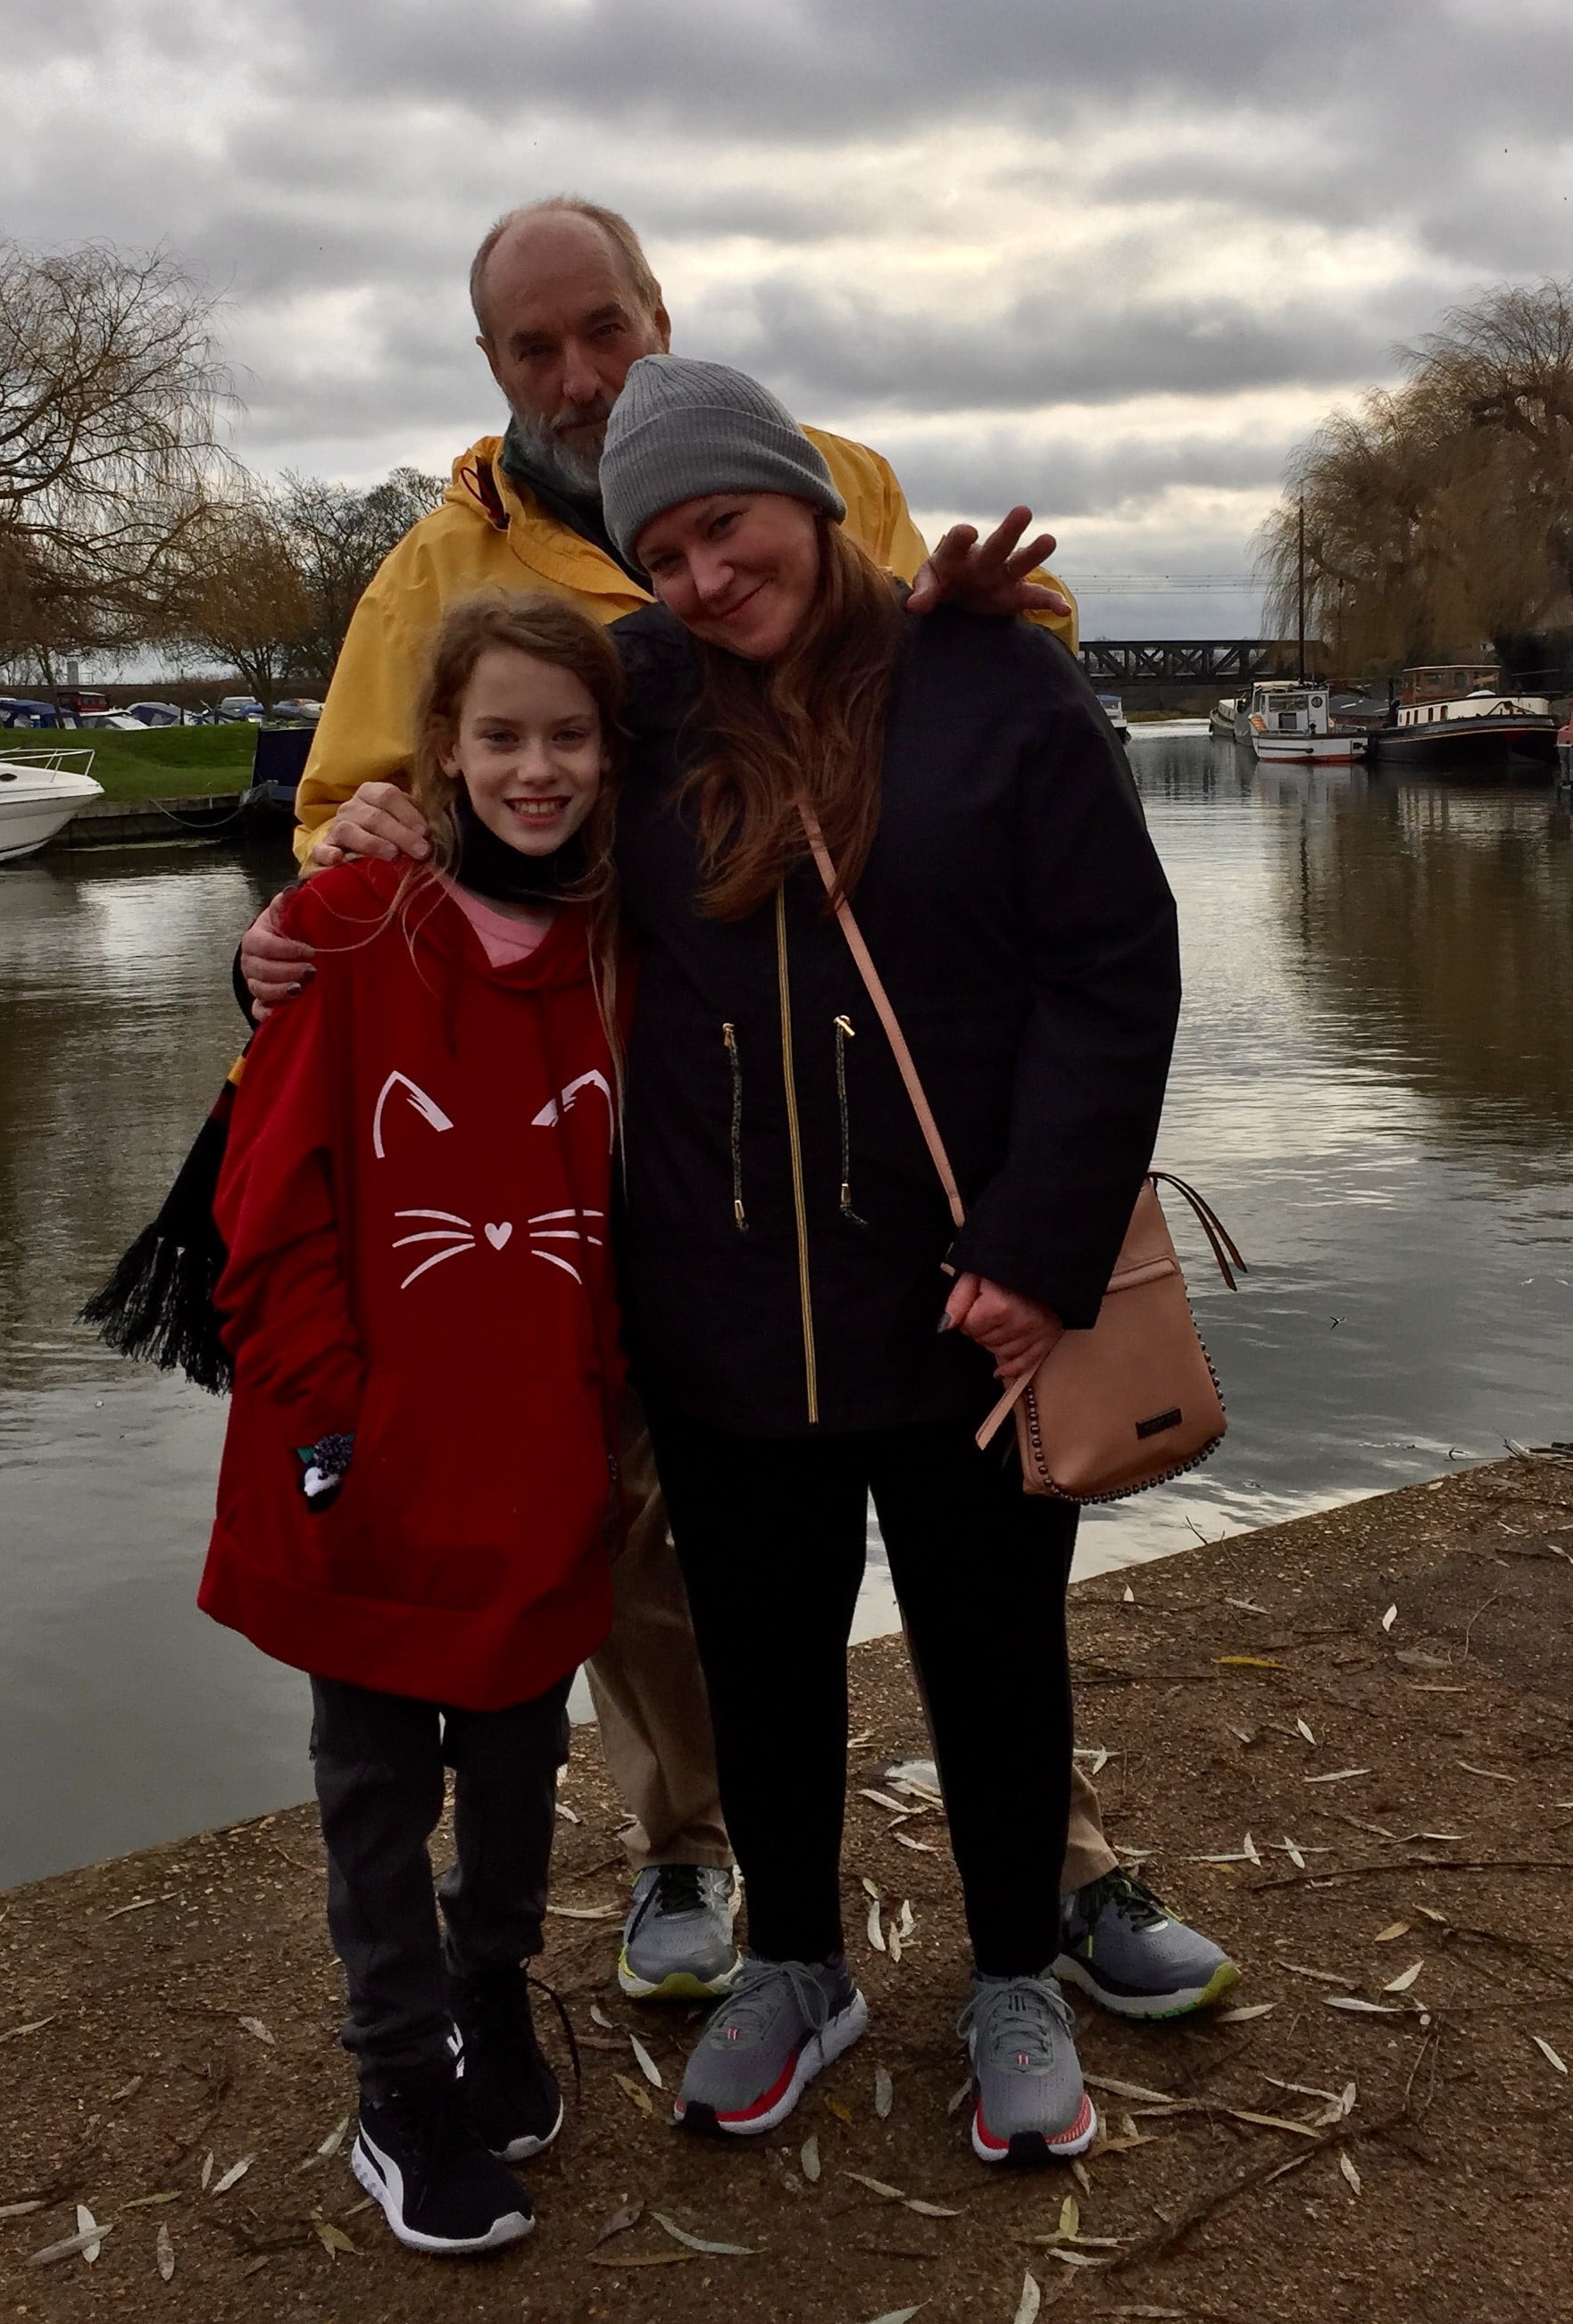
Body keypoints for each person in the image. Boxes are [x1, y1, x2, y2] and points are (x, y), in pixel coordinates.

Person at [239, 195, 1237, 2025]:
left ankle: (1052, 1881)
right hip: (634, 1168)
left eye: (602, 327)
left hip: (905, 1176)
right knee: (659, 1565)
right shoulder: (428, 575)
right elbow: (379, 816)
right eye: (534, 347)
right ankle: (710, 1868)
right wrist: (331, 892)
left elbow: (988, 699)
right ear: (491, 368)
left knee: (984, 1572)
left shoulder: (834, 477)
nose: (578, 372)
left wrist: (957, 612)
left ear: (661, 315)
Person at [594, 353, 1181, 2163]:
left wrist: (1040, 1247)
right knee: (759, 1665)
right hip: (718, 1302)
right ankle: (795, 1963)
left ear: (811, 500)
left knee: (993, 1651)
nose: (705, 573)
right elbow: (488, 788)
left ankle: (1015, 1968)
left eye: (728, 524)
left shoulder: (996, 680)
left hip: (965, 1307)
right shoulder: (634, 699)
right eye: (666, 550)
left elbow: (1113, 971)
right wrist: (346, 855)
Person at [200, 593, 632, 2253]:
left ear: (611, 753)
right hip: (370, 1448)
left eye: (571, 736)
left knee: (520, 1754)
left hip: (540, 1440)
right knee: (376, 1775)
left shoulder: (617, 942)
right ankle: (396, 2077)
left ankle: (491, 1990)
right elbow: (273, 1204)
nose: (538, 769)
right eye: (503, 736)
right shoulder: (356, 923)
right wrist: (324, 1425)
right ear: (440, 747)